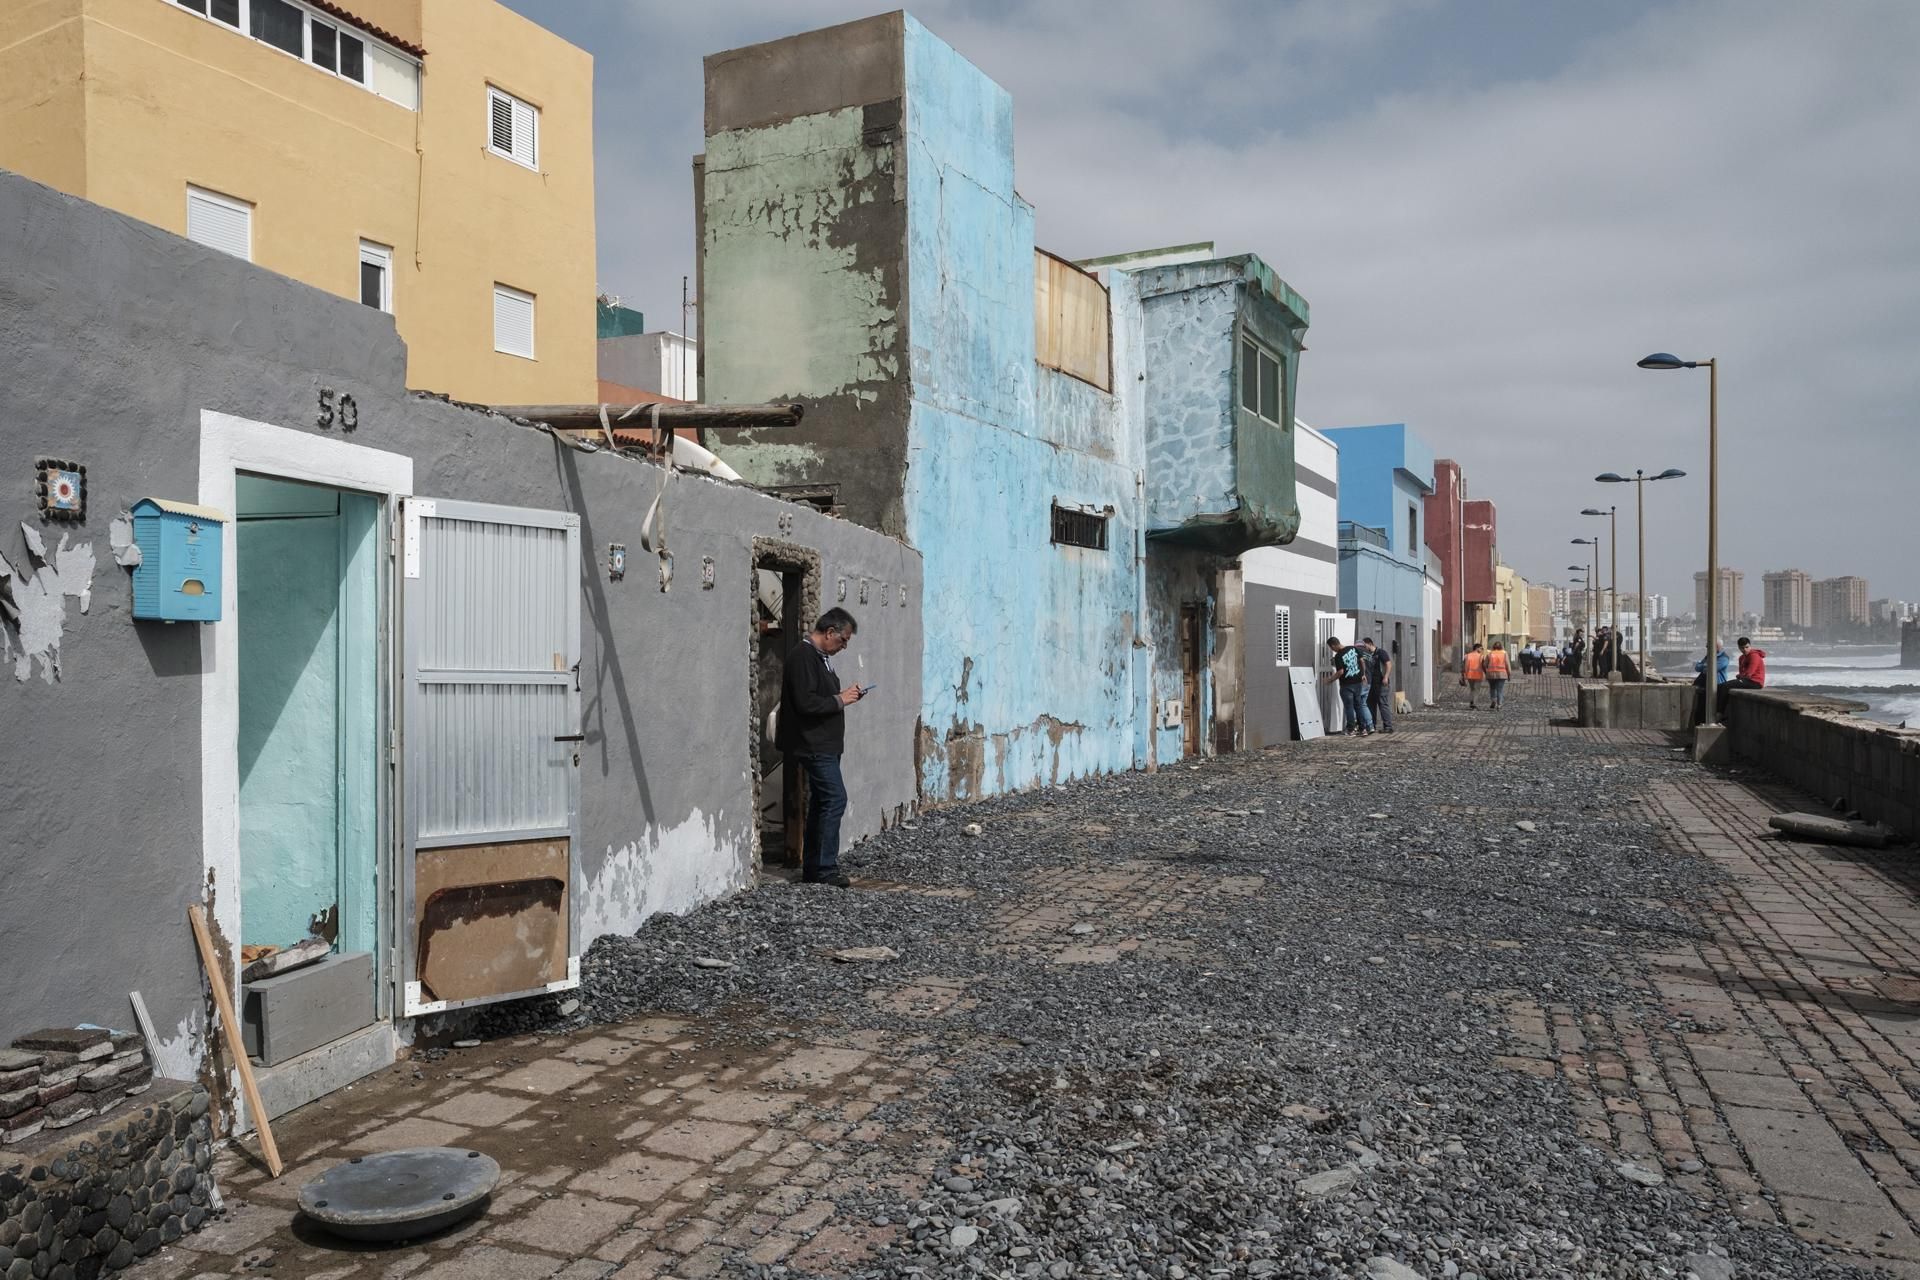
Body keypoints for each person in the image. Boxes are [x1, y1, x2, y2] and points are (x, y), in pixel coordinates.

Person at [776, 608, 868, 887]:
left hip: (823, 743)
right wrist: (841, 699)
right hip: (813, 743)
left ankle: (815, 868)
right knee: (834, 799)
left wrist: (843, 698)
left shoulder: (819, 658)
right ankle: (824, 868)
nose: (844, 646)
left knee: (822, 802)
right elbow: (806, 702)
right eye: (843, 640)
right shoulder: (803, 656)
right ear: (829, 633)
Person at [1324, 635, 1373, 736]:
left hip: (1347, 685)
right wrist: (1363, 674)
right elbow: (1362, 661)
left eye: (1331, 648)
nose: (1332, 650)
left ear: (1333, 645)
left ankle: (1351, 729)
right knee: (1358, 706)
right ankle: (1363, 729)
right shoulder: (1353, 648)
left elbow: (1340, 672)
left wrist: (1329, 680)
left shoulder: (1338, 656)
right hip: (1358, 683)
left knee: (1349, 707)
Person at [1716, 636, 1767, 716]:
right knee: (1720, 686)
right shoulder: (1741, 658)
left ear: (1750, 646)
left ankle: (1720, 713)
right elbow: (1742, 673)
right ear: (1739, 648)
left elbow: (1749, 673)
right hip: (1747, 680)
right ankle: (1720, 711)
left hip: (1755, 682)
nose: (1745, 650)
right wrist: (1741, 676)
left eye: (1747, 647)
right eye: (1742, 648)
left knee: (1725, 686)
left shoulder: (1754, 656)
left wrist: (1740, 676)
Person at [1362, 637, 1394, 734]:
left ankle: (1388, 726)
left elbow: (1389, 664)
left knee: (1382, 704)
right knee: (1371, 704)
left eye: (1365, 646)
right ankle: (1372, 725)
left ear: (1369, 644)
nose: (1364, 648)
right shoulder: (1368, 655)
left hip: (1382, 683)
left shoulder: (1381, 652)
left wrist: (1386, 677)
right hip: (1372, 683)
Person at [1693, 641, 1732, 721]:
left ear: (1716, 647)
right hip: (1705, 685)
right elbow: (1697, 667)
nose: (1706, 648)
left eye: (1708, 646)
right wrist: (1706, 665)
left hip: (1716, 685)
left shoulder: (1724, 658)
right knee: (1701, 708)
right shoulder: (1708, 656)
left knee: (1711, 709)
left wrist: (1704, 665)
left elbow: (1712, 669)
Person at [1485, 640, 1512, 710]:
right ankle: (1499, 704)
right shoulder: (1504, 653)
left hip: (1491, 674)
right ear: (1501, 646)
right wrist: (1509, 674)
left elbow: (1485, 664)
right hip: (1501, 674)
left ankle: (1493, 700)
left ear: (1493, 647)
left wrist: (1486, 671)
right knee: (1500, 690)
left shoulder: (1490, 654)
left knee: (1492, 688)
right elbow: (1507, 665)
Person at [1462, 641, 1487, 708]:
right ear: (1477, 648)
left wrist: (1463, 675)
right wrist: (1486, 673)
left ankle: (1471, 701)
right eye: (1481, 648)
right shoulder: (1481, 656)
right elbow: (1483, 666)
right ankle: (1474, 703)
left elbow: (1464, 666)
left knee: (1472, 688)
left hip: (1469, 675)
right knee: (1477, 689)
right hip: (1478, 675)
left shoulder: (1467, 656)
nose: (1482, 650)